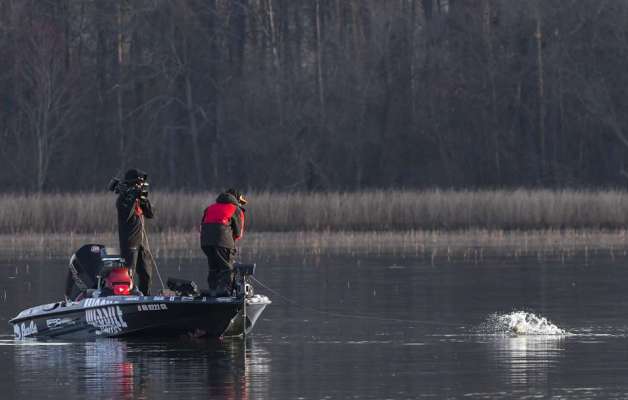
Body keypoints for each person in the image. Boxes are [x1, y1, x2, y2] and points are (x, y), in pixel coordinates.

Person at [115, 168, 155, 295]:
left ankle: (145, 298)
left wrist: (143, 199)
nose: (140, 186)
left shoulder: (138, 198)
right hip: (130, 242)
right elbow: (126, 215)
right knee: (128, 274)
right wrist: (132, 196)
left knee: (146, 273)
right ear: (132, 184)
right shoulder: (122, 200)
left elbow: (150, 214)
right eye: (138, 184)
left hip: (142, 243)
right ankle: (127, 298)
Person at [200, 188, 247, 296]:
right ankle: (225, 293)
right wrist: (231, 246)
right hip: (223, 240)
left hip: (205, 242)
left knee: (214, 268)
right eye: (240, 201)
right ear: (236, 199)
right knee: (227, 268)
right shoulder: (236, 210)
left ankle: (213, 292)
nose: (240, 204)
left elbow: (203, 225)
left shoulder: (210, 208)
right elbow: (238, 234)